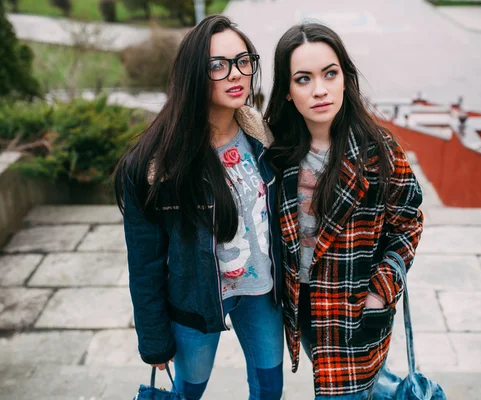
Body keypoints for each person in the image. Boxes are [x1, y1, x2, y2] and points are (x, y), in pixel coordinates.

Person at [114, 15, 283, 400]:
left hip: (261, 291)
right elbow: (145, 262)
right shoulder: (157, 165)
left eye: (243, 61)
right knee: (188, 392)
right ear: (193, 73)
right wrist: (154, 340)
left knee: (269, 390)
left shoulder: (260, 136)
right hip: (194, 301)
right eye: (217, 65)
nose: (235, 74)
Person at [265, 22, 424, 399]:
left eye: (329, 73)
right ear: (287, 91)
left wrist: (381, 291)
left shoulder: (378, 150)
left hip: (357, 309)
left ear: (344, 78)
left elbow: (409, 222)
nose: (319, 90)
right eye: (303, 79)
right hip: (302, 308)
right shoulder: (276, 154)